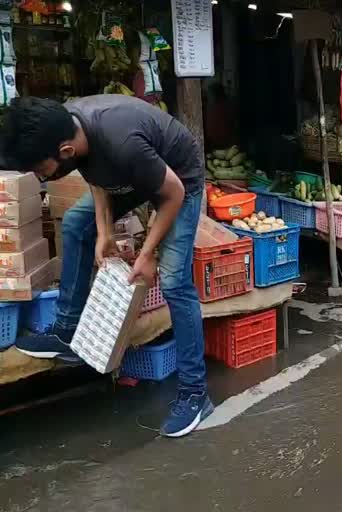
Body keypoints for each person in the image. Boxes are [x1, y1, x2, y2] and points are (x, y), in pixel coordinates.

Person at [2, 95, 212, 438]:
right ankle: (66, 331)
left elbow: (171, 193)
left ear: (65, 151)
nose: (43, 177)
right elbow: (97, 177)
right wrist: (103, 232)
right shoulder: (70, 125)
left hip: (178, 180)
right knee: (74, 225)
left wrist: (147, 254)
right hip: (132, 175)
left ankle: (194, 393)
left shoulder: (121, 142)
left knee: (174, 281)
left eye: (42, 170)